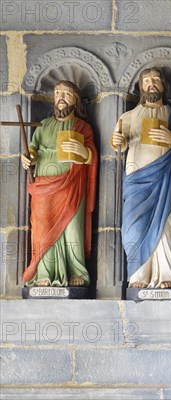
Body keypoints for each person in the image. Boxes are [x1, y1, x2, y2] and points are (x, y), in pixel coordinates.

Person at [111, 67, 171, 289]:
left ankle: (168, 274)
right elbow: (120, 141)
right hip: (136, 180)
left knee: (165, 226)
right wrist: (117, 141)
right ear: (141, 87)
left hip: (163, 179)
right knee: (133, 229)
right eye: (146, 81)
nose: (151, 84)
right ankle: (138, 276)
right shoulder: (127, 117)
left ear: (163, 86)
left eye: (156, 80)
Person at [21, 80, 98, 287]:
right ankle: (45, 273)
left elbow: (92, 155)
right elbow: (33, 148)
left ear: (76, 100)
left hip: (72, 186)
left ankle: (76, 271)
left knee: (72, 228)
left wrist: (84, 153)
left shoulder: (83, 127)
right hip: (44, 188)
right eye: (57, 94)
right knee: (43, 227)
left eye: (66, 94)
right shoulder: (43, 125)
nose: (60, 98)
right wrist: (28, 157)